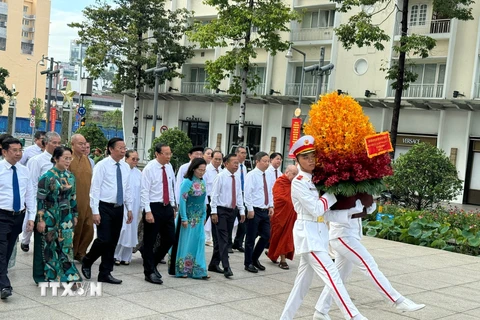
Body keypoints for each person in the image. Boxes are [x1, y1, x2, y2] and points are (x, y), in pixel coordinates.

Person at [280, 135, 368, 320]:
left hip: (319, 235)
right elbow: (317, 209)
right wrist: (333, 191)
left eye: (313, 155)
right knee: (333, 277)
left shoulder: (315, 180)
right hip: (308, 236)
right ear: (297, 160)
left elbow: (325, 214)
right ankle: (354, 316)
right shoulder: (299, 182)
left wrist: (353, 212)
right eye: (305, 157)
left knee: (301, 286)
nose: (311, 160)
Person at [314, 210, 425, 318]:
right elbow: (336, 211)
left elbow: (368, 208)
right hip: (342, 235)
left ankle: (321, 310)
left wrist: (366, 203)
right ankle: (396, 300)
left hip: (349, 235)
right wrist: (359, 206)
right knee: (368, 265)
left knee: (338, 276)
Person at [81, 138, 133, 285]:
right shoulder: (102, 165)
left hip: (119, 207)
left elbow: (127, 188)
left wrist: (129, 208)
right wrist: (95, 211)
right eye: (120, 148)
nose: (123, 151)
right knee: (104, 238)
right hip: (104, 206)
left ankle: (105, 272)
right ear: (111, 149)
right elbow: (95, 189)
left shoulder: (125, 167)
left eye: (124, 148)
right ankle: (88, 260)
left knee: (113, 241)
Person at [32, 146, 82, 283]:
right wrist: (40, 219)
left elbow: (73, 198)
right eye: (65, 158)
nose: (68, 161)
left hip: (66, 217)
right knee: (50, 246)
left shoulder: (70, 177)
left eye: (69, 158)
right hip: (50, 215)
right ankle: (50, 276)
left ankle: (68, 275)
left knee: (66, 245)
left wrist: (75, 214)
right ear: (55, 158)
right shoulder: (46, 177)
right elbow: (40, 200)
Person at [0, 138, 36, 299]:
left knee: (8, 250)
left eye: (20, 150)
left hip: (18, 215)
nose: (18, 153)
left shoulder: (24, 170)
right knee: (1, 250)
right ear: (4, 151)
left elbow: (29, 194)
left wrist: (31, 217)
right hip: (1, 214)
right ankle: (5, 286)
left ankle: (1, 276)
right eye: (14, 150)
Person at [141, 143, 176, 285]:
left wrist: (173, 206)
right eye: (166, 154)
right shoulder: (149, 168)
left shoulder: (169, 167)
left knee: (170, 238)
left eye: (170, 153)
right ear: (157, 154)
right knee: (150, 240)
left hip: (166, 206)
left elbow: (171, 186)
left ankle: (153, 262)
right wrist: (148, 211)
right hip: (153, 207)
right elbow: (144, 191)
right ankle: (148, 272)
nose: (169, 157)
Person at [21, 131, 61, 253]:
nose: (57, 145)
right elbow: (32, 183)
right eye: (54, 142)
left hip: (54, 201)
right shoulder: (36, 160)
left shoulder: (59, 160)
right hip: (39, 199)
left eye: (59, 143)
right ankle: (25, 241)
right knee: (32, 223)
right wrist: (32, 202)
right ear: (46, 143)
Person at [169, 158, 209, 279]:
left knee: (200, 241)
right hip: (187, 218)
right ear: (193, 169)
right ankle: (182, 269)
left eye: (204, 170)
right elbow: (183, 200)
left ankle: (199, 270)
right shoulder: (187, 182)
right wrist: (184, 218)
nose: (202, 172)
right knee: (185, 243)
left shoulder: (203, 182)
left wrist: (204, 215)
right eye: (200, 170)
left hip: (198, 218)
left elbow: (203, 200)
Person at [208, 153, 244, 278]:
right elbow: (214, 195)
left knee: (223, 238)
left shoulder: (237, 177)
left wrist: (241, 210)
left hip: (232, 210)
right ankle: (226, 266)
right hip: (221, 210)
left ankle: (214, 264)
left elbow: (239, 194)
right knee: (223, 239)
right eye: (234, 163)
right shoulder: (221, 176)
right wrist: (213, 212)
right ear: (226, 163)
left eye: (237, 163)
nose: (236, 165)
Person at [243, 151, 273, 273]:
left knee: (267, 235)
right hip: (254, 210)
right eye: (264, 161)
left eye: (268, 161)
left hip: (265, 210)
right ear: (257, 161)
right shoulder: (252, 175)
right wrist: (249, 209)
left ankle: (255, 258)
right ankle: (248, 262)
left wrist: (271, 205)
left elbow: (270, 191)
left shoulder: (268, 175)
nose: (267, 164)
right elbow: (248, 193)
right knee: (250, 238)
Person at [267, 165, 298, 269]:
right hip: (280, 214)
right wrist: (291, 202)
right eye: (293, 174)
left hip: (290, 214)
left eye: (296, 174)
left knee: (287, 236)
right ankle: (279, 258)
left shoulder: (294, 184)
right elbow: (278, 197)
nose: (295, 176)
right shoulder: (280, 181)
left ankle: (280, 257)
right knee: (278, 235)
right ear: (287, 172)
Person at [114, 150, 142, 265]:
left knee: (131, 231)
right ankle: (116, 255)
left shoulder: (139, 173)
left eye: (137, 159)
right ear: (126, 158)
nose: (135, 161)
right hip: (124, 204)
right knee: (122, 229)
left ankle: (126, 256)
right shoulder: (122, 170)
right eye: (133, 159)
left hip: (135, 206)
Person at [70, 134, 95, 262]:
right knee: (76, 227)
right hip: (74, 200)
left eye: (85, 143)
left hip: (88, 199)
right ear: (72, 145)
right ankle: (71, 252)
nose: (84, 146)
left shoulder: (87, 160)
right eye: (80, 143)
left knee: (89, 227)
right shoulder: (68, 159)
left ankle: (81, 252)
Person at [203, 150, 223, 246]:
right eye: (216, 159)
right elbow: (204, 187)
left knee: (216, 223)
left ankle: (215, 242)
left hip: (218, 201)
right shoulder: (206, 170)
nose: (218, 161)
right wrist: (206, 202)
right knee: (203, 221)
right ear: (211, 158)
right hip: (208, 199)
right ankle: (203, 238)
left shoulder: (222, 171)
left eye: (220, 159)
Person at [232, 146, 248, 253]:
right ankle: (228, 244)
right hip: (234, 196)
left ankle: (238, 243)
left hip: (243, 196)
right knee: (231, 221)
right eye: (242, 153)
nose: (244, 155)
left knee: (243, 222)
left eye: (245, 153)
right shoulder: (233, 166)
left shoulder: (244, 167)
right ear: (237, 153)